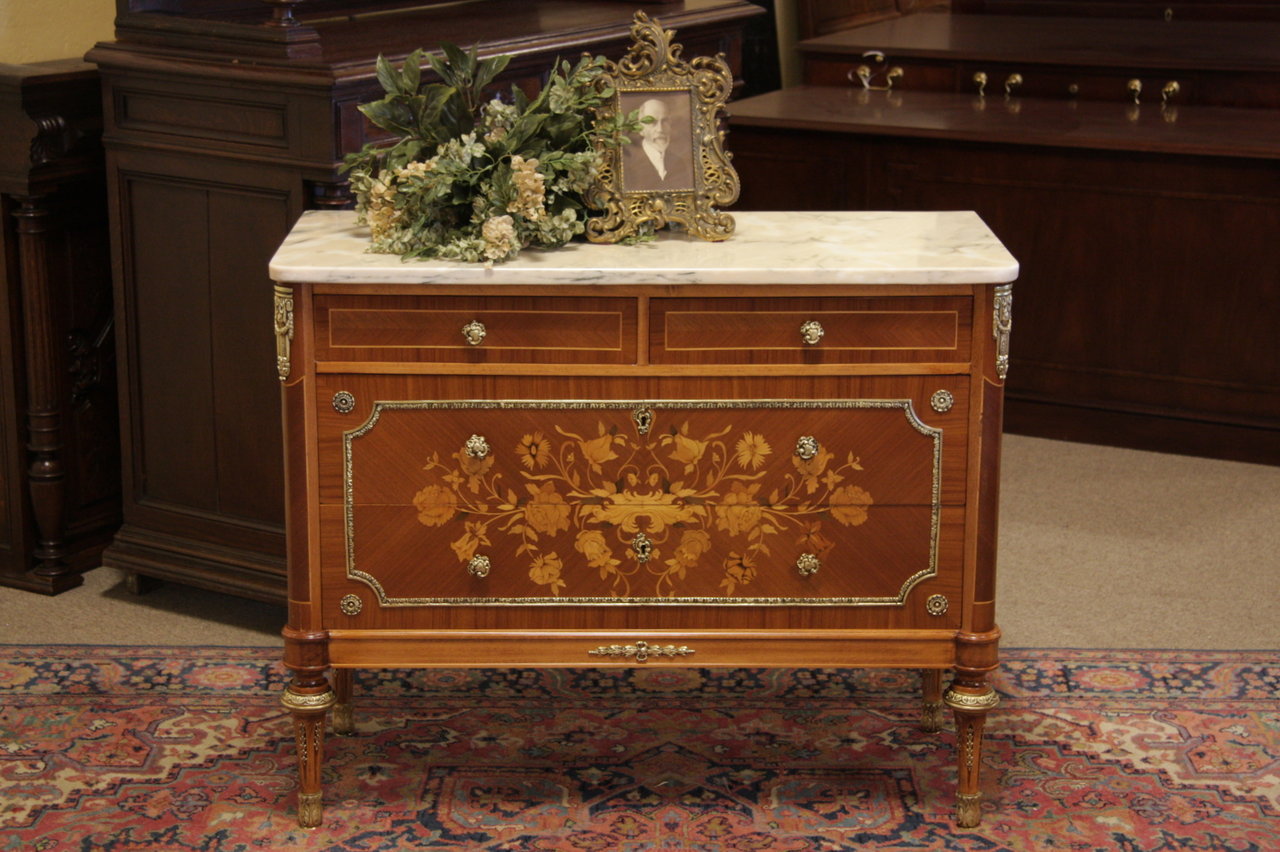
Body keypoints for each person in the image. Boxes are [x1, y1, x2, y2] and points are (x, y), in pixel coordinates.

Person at [622, 96, 693, 192]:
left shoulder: (680, 163)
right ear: (640, 128)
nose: (660, 129)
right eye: (652, 122)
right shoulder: (626, 164)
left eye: (664, 121)